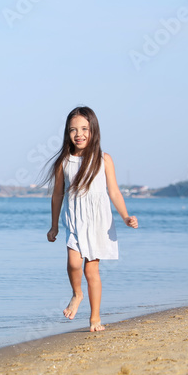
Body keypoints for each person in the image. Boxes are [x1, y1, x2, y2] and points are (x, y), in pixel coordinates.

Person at [42, 106, 138, 332]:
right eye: (73, 130)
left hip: (98, 224)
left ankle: (95, 318)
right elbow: (58, 194)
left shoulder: (103, 159)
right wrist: (54, 226)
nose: (79, 134)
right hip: (75, 221)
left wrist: (125, 216)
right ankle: (77, 294)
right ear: (67, 133)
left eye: (84, 129)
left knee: (91, 271)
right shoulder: (64, 162)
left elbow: (114, 191)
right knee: (74, 263)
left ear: (93, 130)